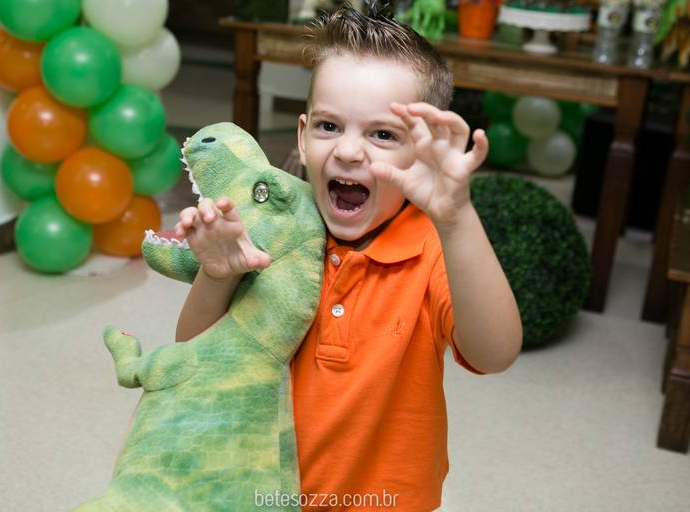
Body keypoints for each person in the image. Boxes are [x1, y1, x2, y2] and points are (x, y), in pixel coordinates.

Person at [174, 6, 521, 511]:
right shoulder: (270, 231)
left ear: (423, 154)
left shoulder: (432, 250)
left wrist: (457, 221)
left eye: (383, 134)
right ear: (302, 136)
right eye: (330, 126)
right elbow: (191, 353)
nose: (350, 152)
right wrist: (217, 274)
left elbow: (496, 353)